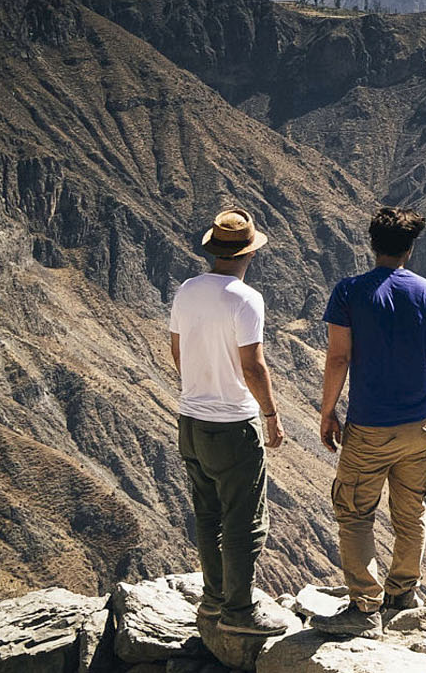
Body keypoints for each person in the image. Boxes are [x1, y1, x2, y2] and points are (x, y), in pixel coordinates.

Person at [310, 207, 426, 638]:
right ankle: (402, 593)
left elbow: (338, 357)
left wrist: (327, 411)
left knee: (355, 515)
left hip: (368, 428)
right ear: (410, 248)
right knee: (411, 512)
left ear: (372, 244)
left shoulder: (349, 292)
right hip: (418, 427)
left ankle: (364, 605)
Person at [170, 208, 289, 636]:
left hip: (190, 420)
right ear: (249, 254)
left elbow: (177, 351)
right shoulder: (245, 299)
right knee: (245, 519)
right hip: (234, 426)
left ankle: (213, 599)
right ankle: (239, 611)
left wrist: (199, 386)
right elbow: (254, 366)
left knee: (208, 514)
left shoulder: (187, 290)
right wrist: (272, 416)